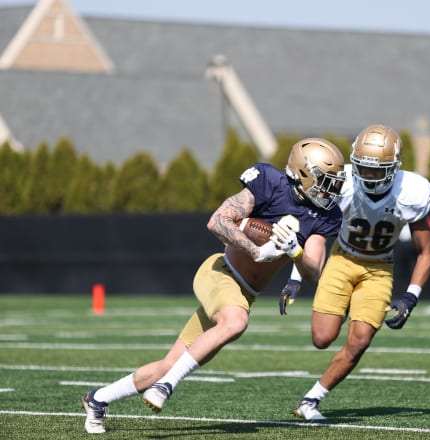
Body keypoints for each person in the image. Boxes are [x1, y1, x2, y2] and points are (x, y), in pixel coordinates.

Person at [80, 138, 347, 434]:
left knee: (169, 363)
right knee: (236, 322)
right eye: (325, 182)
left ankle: (97, 399)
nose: (330, 191)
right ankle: (166, 387)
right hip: (220, 272)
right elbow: (218, 220)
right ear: (303, 173)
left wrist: (294, 250)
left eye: (334, 184)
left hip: (245, 293)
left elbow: (312, 271)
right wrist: (256, 250)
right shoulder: (270, 182)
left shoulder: (326, 215)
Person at [279, 124, 430, 420]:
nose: (369, 175)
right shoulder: (343, 183)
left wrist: (411, 298)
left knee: (360, 340)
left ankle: (311, 401)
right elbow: (315, 231)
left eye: (378, 170)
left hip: (379, 268)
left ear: (394, 167)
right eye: (363, 167)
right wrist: (296, 276)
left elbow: (426, 250)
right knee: (322, 338)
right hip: (342, 259)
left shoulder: (411, 192)